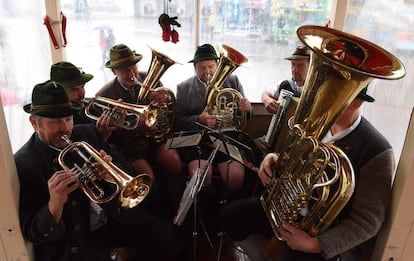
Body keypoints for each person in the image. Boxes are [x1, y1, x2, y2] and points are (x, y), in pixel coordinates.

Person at [219, 86, 394, 261]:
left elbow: (368, 222)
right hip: (290, 210)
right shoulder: (315, 125)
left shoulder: (377, 150)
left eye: (329, 97)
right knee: (229, 216)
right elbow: (293, 158)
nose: (320, 103)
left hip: (325, 233)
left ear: (356, 102)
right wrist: (273, 158)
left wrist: (317, 244)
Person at [15, 80, 173, 261]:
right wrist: (55, 203)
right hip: (77, 240)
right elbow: (32, 232)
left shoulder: (87, 134)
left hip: (111, 220)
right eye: (55, 122)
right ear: (34, 123)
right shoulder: (25, 163)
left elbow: (128, 168)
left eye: (68, 119)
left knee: (161, 233)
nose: (65, 128)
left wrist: (111, 172)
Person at [174, 43, 252, 195]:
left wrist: (247, 108)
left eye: (210, 66)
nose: (207, 71)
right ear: (195, 68)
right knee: (202, 179)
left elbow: (246, 115)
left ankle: (226, 206)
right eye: (201, 67)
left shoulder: (233, 81)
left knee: (235, 179)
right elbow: (177, 121)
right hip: (199, 141)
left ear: (217, 65)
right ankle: (206, 207)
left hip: (226, 138)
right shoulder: (183, 87)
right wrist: (199, 119)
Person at [96, 43, 183, 179]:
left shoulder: (152, 81)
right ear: (114, 71)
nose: (131, 73)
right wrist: (135, 125)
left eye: (133, 67)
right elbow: (113, 137)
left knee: (175, 164)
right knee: (148, 178)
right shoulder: (105, 95)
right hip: (131, 146)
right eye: (125, 70)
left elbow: (169, 114)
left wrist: (164, 101)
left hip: (155, 139)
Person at [261, 45, 310, 114]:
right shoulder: (285, 84)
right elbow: (265, 93)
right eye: (293, 64)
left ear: (310, 67)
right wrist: (267, 100)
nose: (294, 70)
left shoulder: (316, 91)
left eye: (300, 66)